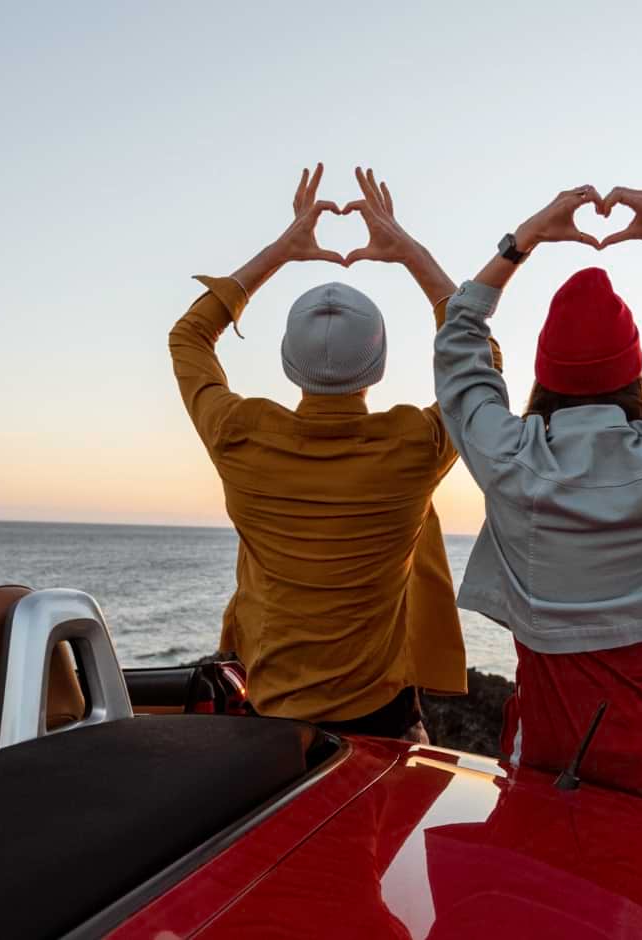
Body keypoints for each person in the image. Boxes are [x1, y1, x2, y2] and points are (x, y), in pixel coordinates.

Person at [432, 184, 642, 817]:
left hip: (556, 724)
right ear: (635, 378)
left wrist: (525, 239)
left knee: (544, 859)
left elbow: (459, 339)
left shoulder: (507, 459)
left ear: (544, 377)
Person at [169, 164, 496, 741]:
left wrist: (282, 250)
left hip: (271, 714)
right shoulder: (414, 445)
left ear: (287, 362)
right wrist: (409, 251)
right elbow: (480, 359)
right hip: (383, 714)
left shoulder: (239, 434)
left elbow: (189, 337)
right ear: (379, 365)